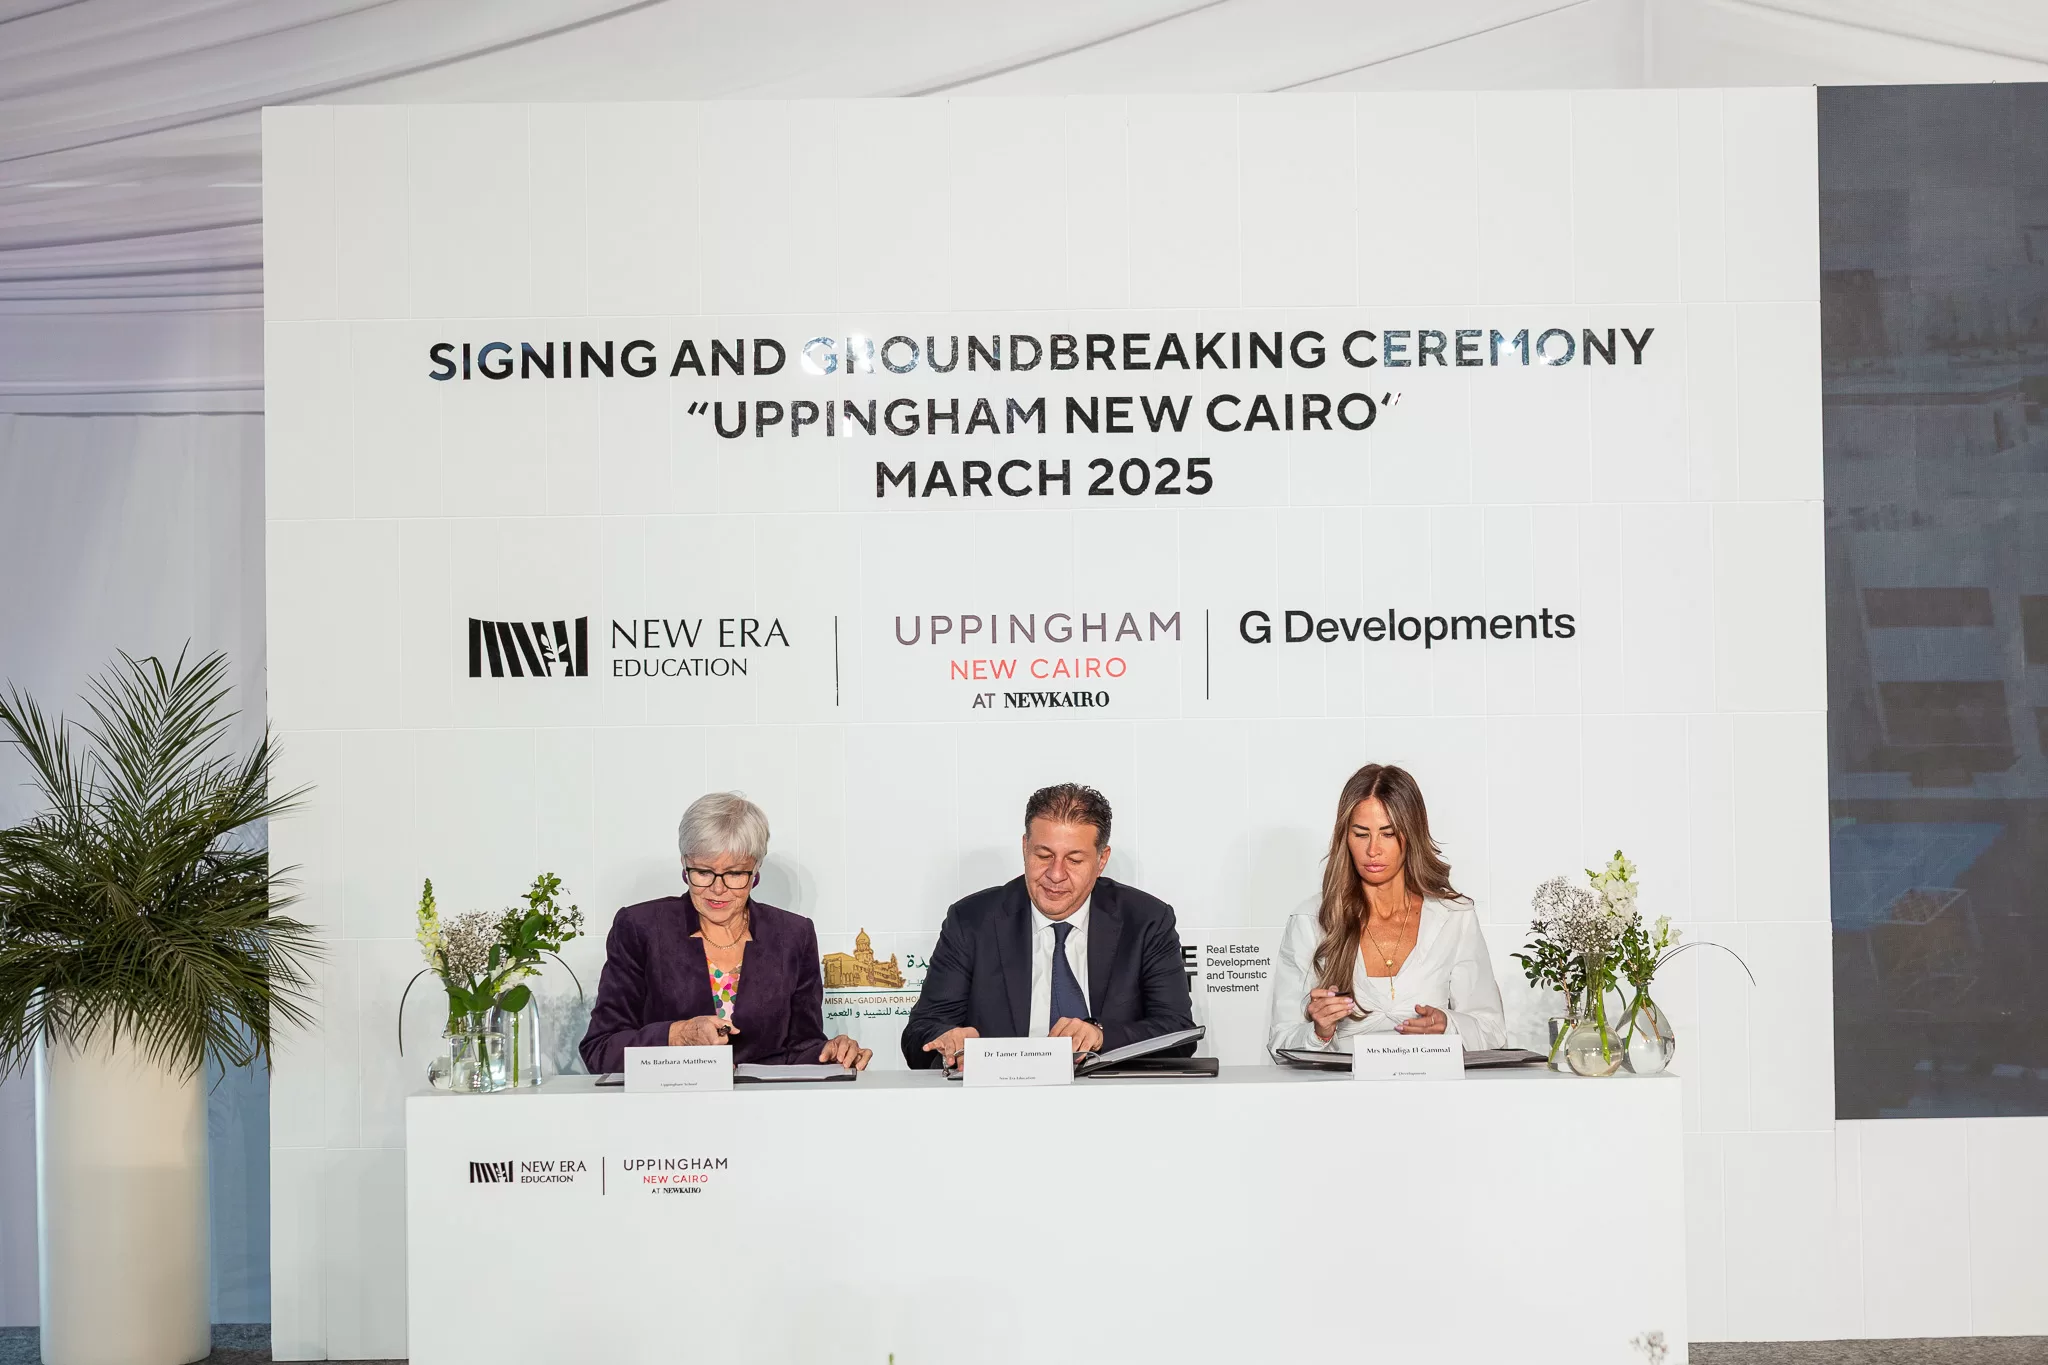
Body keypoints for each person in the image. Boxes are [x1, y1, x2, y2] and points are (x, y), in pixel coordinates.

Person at [903, 783, 1196, 1069]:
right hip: (1003, 1095)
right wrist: (948, 1041)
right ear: (1025, 848)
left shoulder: (1146, 921)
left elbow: (1178, 1032)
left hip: (1109, 1095)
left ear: (1101, 860)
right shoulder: (972, 921)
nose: (1056, 875)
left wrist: (1101, 1037)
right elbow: (920, 1033)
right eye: (1043, 856)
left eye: (1074, 860)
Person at [580, 792, 872, 1073]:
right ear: (684, 864)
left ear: (755, 870)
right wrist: (677, 1035)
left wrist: (831, 1053)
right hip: (669, 1101)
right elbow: (600, 1049)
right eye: (703, 872)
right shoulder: (640, 927)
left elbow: (801, 1048)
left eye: (734, 874)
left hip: (765, 1103)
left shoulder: (793, 935)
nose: (717, 889)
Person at [1268, 763, 1506, 1054]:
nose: (1373, 850)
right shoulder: (1311, 919)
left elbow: (1492, 1032)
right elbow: (1281, 1042)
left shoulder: (1453, 915)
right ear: (1345, 837)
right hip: (1343, 1083)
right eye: (1361, 834)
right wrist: (1319, 1033)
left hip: (1432, 1080)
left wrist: (1449, 1025)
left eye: (1388, 833)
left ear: (1412, 834)